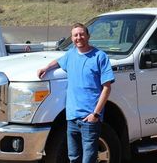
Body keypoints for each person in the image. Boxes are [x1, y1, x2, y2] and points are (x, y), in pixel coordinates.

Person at [37, 22, 114, 163]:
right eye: (75, 35)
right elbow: (58, 62)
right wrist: (46, 68)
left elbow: (107, 88)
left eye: (82, 34)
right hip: (72, 118)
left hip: (90, 119)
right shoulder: (70, 54)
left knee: (88, 159)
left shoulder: (100, 57)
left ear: (88, 36)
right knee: (73, 158)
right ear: (72, 38)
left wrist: (95, 114)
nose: (79, 37)